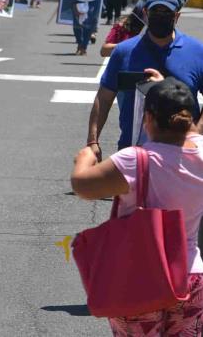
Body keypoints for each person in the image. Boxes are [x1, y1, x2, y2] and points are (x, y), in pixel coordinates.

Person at [71, 77, 203, 336]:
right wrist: (170, 87)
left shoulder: (135, 160)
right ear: (187, 119)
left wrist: (84, 159)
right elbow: (195, 134)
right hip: (191, 277)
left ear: (148, 118)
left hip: (140, 279)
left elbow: (83, 186)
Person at [87, 0, 203, 154]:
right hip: (133, 151)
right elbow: (104, 97)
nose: (160, 16)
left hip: (184, 153)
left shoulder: (197, 51)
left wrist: (197, 134)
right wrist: (93, 141)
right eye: (155, 11)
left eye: (166, 12)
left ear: (176, 16)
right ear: (146, 13)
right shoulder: (123, 51)